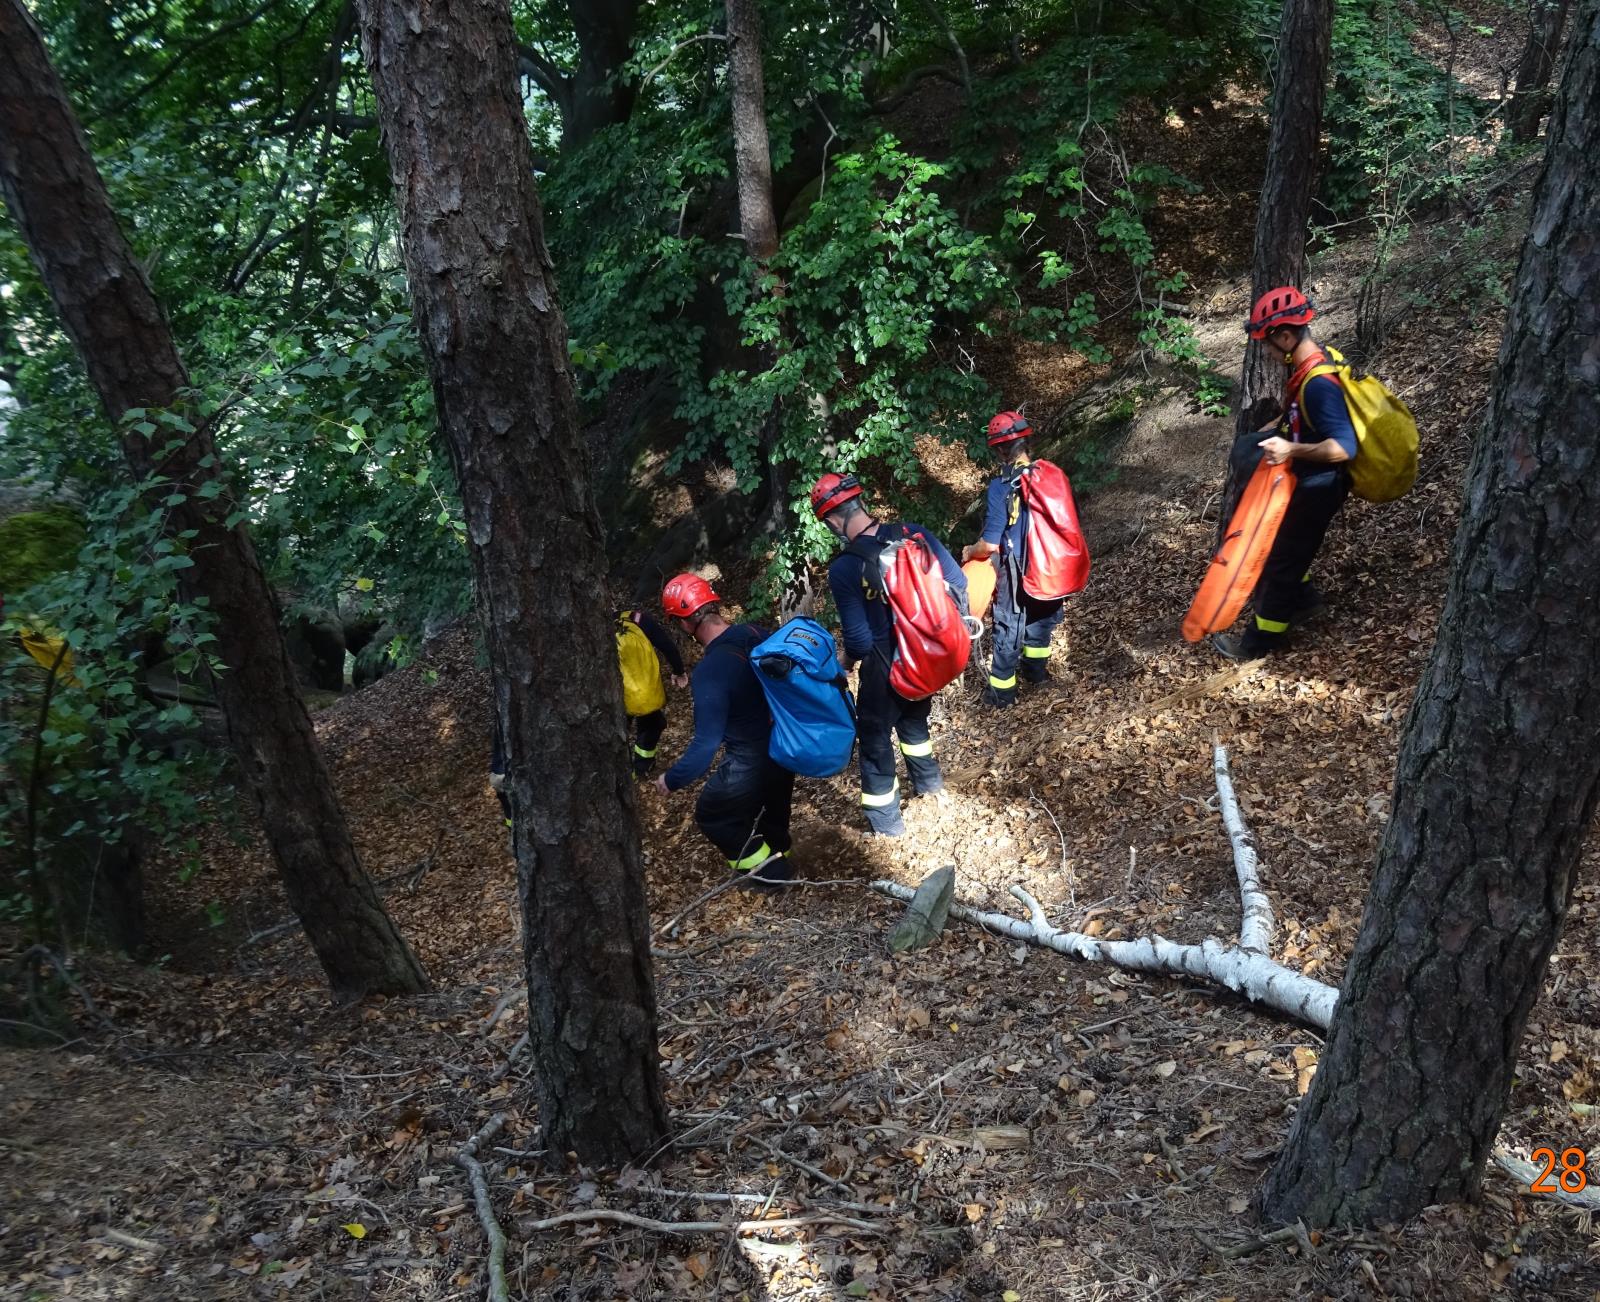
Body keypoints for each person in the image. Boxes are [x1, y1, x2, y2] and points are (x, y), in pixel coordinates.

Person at [813, 472, 966, 837]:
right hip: (926, 655)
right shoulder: (913, 533)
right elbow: (957, 583)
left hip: (886, 666)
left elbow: (860, 640)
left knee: (875, 735)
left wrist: (846, 664)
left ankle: (888, 825)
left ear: (833, 520)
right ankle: (930, 786)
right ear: (859, 502)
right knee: (914, 721)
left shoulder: (845, 568)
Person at [1212, 287, 1357, 661]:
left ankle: (1258, 644)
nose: (1271, 353)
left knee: (1279, 564)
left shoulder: (1319, 384)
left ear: (1286, 336)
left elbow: (1344, 447)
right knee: (1287, 551)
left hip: (1319, 486)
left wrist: (1291, 449)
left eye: (1271, 345)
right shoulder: (1311, 365)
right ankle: (1306, 602)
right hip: (1306, 482)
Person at [652, 574, 795, 891]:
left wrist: (671, 779)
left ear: (686, 624)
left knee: (713, 814)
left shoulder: (709, 673)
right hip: (786, 748)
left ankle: (773, 877)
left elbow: (705, 746)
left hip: (750, 760)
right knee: (772, 813)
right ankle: (782, 861)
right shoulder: (756, 632)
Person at [963, 411, 1063, 708]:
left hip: (1017, 565)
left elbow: (991, 543)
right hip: (1049, 562)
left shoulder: (1002, 486)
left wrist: (970, 551)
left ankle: (1002, 694)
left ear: (999, 449)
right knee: (1041, 619)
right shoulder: (1048, 474)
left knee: (1008, 626)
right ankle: (1037, 675)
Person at [617, 602, 689, 778]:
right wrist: (679, 671)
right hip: (644, 692)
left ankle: (623, 772)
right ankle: (640, 768)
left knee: (618, 733)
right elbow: (667, 646)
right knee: (653, 725)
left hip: (616, 695)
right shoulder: (638, 619)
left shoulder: (598, 627)